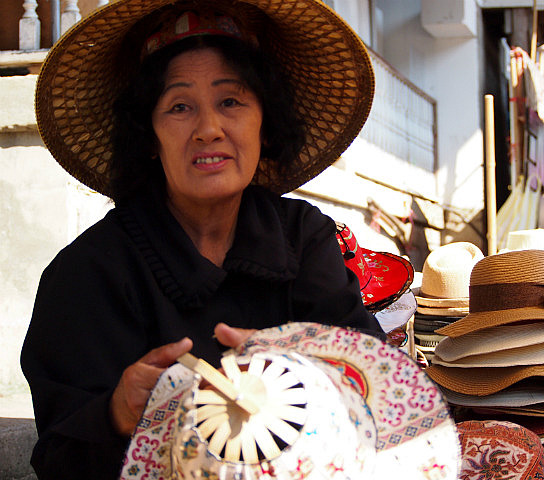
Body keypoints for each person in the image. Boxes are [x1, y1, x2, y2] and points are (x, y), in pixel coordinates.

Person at [20, 1, 380, 478]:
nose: (209, 130)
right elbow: (59, 459)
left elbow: (374, 386)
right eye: (179, 107)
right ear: (150, 137)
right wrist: (118, 415)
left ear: (265, 124)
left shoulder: (302, 237)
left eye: (231, 101)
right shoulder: (89, 272)